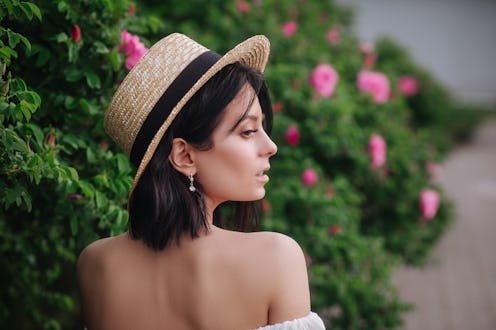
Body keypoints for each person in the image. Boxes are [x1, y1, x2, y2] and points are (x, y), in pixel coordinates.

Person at [77, 33, 326, 329]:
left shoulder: (95, 264)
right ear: (184, 155)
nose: (270, 146)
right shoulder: (276, 258)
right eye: (248, 131)